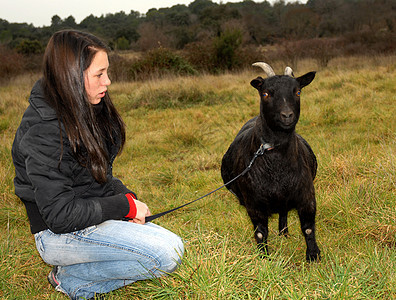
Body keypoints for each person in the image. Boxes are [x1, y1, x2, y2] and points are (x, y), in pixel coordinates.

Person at [11, 30, 184, 300]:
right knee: (168, 252)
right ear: (71, 76)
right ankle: (71, 280)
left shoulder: (86, 106)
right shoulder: (43, 130)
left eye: (107, 72)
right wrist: (124, 206)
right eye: (99, 74)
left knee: (169, 248)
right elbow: (59, 216)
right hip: (56, 233)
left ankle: (76, 274)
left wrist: (126, 196)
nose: (108, 82)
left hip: (91, 212)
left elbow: (99, 176)